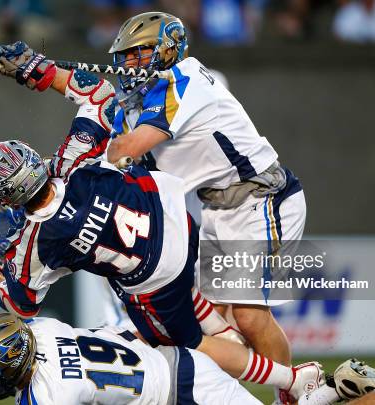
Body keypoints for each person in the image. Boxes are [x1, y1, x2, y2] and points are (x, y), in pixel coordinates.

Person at [0, 47, 323, 395]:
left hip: (150, 275)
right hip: (175, 220)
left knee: (187, 344)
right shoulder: (73, 161)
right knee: (192, 301)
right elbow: (99, 95)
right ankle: (230, 338)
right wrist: (42, 70)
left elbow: (21, 307)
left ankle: (292, 379)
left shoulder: (35, 245)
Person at [100, 11, 305, 396]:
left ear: (167, 49)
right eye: (125, 55)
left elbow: (124, 150)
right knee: (212, 318)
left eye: (138, 53)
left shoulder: (185, 79)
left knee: (248, 314)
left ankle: (296, 396)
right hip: (219, 209)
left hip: (261, 197)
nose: (129, 64)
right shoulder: (142, 96)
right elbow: (104, 149)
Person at [0, 313, 375, 405]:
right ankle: (334, 389)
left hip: (184, 391)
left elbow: (25, 388)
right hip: (180, 367)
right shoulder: (43, 328)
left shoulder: (52, 394)